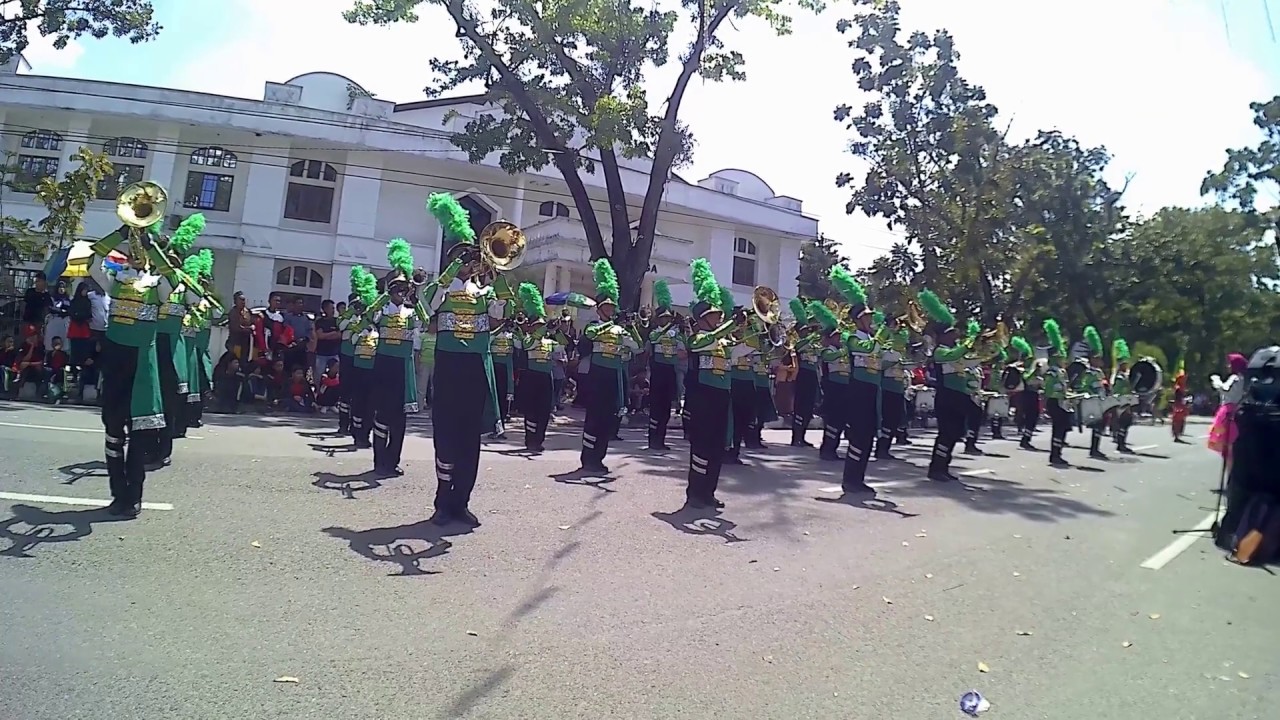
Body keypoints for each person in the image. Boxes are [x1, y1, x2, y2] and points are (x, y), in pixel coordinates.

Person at [86, 213, 212, 518]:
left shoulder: (160, 284)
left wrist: (153, 245)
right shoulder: (115, 279)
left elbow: (189, 292)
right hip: (116, 360)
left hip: (143, 364)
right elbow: (92, 262)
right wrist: (120, 233)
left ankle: (134, 496)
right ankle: (118, 494)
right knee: (113, 431)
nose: (136, 255)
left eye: (139, 251)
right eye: (134, 251)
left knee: (139, 433)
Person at [422, 193, 510, 526]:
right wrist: (452, 272)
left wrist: (497, 272)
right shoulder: (440, 290)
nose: (469, 263)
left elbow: (504, 310)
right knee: (445, 435)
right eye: (462, 259)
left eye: (470, 259)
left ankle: (462, 502)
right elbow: (426, 306)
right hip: (448, 366)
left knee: (469, 437)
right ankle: (442, 503)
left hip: (474, 368)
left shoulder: (485, 294)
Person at [684, 258, 752, 509]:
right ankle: (695, 493)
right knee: (702, 445)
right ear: (702, 319)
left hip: (723, 396)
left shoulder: (723, 342)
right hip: (704, 397)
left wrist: (757, 330)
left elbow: (744, 350)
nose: (718, 319)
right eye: (714, 316)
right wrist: (731, 325)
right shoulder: (699, 337)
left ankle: (709, 491)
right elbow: (708, 340)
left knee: (716, 446)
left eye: (719, 316)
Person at [363, 239, 428, 477]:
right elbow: (370, 314)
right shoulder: (382, 309)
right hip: (384, 365)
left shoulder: (412, 312)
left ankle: (393, 461)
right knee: (382, 413)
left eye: (403, 290)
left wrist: (416, 293)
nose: (401, 294)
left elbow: (428, 321)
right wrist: (387, 292)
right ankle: (379, 460)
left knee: (400, 417)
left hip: (403, 366)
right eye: (397, 290)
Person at [148, 216, 207, 468]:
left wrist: (180, 276)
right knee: (150, 398)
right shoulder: (152, 279)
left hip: (173, 347)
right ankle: (146, 444)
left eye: (173, 259)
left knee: (170, 399)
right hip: (150, 342)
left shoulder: (185, 285)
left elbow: (197, 299)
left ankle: (163, 447)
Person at [576, 258, 639, 475]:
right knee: (594, 417)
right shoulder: (595, 326)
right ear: (600, 309)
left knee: (607, 419)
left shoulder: (618, 329)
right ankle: (588, 457)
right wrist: (613, 324)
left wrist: (631, 328)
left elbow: (638, 347)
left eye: (613, 307)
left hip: (613, 376)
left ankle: (599, 457)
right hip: (597, 376)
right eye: (608, 307)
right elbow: (590, 335)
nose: (611, 310)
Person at [917, 289, 968, 482]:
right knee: (946, 434)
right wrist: (970, 343)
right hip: (947, 397)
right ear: (943, 337)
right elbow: (953, 356)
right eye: (951, 334)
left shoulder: (954, 350)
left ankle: (944, 466)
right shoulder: (940, 351)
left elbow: (969, 361)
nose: (955, 337)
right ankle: (936, 468)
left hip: (958, 396)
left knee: (955, 433)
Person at [514, 283, 567, 452]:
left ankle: (539, 439)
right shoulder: (529, 339)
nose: (540, 327)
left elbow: (565, 345)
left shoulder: (549, 342)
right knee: (531, 411)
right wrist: (544, 329)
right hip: (531, 377)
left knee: (544, 410)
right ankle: (530, 440)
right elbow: (528, 345)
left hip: (546, 378)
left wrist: (557, 330)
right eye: (537, 325)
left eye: (541, 325)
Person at [342, 267, 379, 448]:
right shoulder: (359, 326)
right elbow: (351, 338)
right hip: (358, 367)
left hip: (373, 370)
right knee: (358, 401)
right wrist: (362, 328)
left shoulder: (378, 330)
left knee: (370, 405)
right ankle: (357, 432)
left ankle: (366, 433)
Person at [646, 279, 684, 451]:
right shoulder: (655, 333)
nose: (666, 320)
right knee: (656, 408)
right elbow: (650, 346)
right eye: (663, 318)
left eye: (668, 318)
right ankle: (653, 440)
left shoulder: (676, 335)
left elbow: (684, 353)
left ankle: (661, 440)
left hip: (671, 372)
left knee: (666, 409)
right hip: (658, 372)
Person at [1041, 318, 1075, 467]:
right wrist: (1062, 394)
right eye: (1061, 357)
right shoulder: (1051, 373)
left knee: (1064, 427)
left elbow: (1064, 387)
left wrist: (1070, 394)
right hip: (1055, 402)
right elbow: (1049, 389)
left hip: (1062, 402)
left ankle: (1058, 452)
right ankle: (1054, 455)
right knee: (1058, 427)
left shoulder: (1061, 372)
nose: (1063, 359)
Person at [876, 313, 909, 460]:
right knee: (887, 420)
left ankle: (886, 448)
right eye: (895, 324)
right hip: (887, 386)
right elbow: (881, 365)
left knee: (896, 420)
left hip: (898, 386)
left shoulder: (900, 348)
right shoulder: (884, 346)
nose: (899, 327)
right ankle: (881, 448)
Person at [1208, 352, 1249, 472]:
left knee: (1227, 445)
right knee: (1230, 445)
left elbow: (1225, 390)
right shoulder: (1243, 379)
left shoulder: (1235, 378)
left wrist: (1216, 381)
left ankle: (1231, 474)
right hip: (1236, 411)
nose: (1228, 366)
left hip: (1228, 412)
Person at [789, 302, 821, 448]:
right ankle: (796, 438)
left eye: (807, 331)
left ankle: (803, 436)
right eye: (804, 331)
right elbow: (798, 347)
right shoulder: (799, 343)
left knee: (808, 408)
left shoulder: (813, 344)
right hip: (803, 375)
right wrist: (811, 337)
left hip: (813, 375)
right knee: (800, 407)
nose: (807, 332)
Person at [1078, 326, 1109, 460]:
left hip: (1101, 400)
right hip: (1094, 401)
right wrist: (1093, 392)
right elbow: (1085, 386)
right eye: (1097, 358)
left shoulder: (1099, 372)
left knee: (1100, 426)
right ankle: (1093, 449)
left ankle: (1096, 448)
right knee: (1097, 425)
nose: (1099, 361)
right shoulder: (1089, 373)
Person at [489, 309, 519, 438]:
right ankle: (492, 427)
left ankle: (501, 428)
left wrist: (516, 329)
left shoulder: (511, 336)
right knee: (492, 399)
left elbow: (521, 344)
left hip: (506, 370)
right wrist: (500, 329)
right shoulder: (492, 334)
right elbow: (489, 339)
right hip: (494, 368)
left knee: (503, 400)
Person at [1109, 338, 1136, 454]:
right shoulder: (1119, 377)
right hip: (1121, 402)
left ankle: (1122, 443)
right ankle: (1120, 444)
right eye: (1124, 364)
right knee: (1123, 422)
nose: (1126, 366)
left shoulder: (1125, 376)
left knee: (1126, 423)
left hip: (1126, 401)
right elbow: (1118, 390)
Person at [313, 299, 341, 382]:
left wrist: (327, 335)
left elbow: (340, 335)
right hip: (321, 354)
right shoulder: (320, 322)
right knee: (318, 375)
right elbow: (320, 336)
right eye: (331, 308)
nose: (333, 310)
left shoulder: (337, 321)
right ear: (325, 309)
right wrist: (333, 333)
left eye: (333, 308)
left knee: (335, 375)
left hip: (334, 353)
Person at [20, 275, 51, 341]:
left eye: (39, 281)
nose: (37, 283)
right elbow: (24, 303)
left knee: (38, 339)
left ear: (44, 282)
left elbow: (47, 308)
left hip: (39, 321)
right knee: (27, 339)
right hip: (28, 319)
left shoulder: (46, 295)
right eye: (36, 281)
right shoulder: (30, 291)